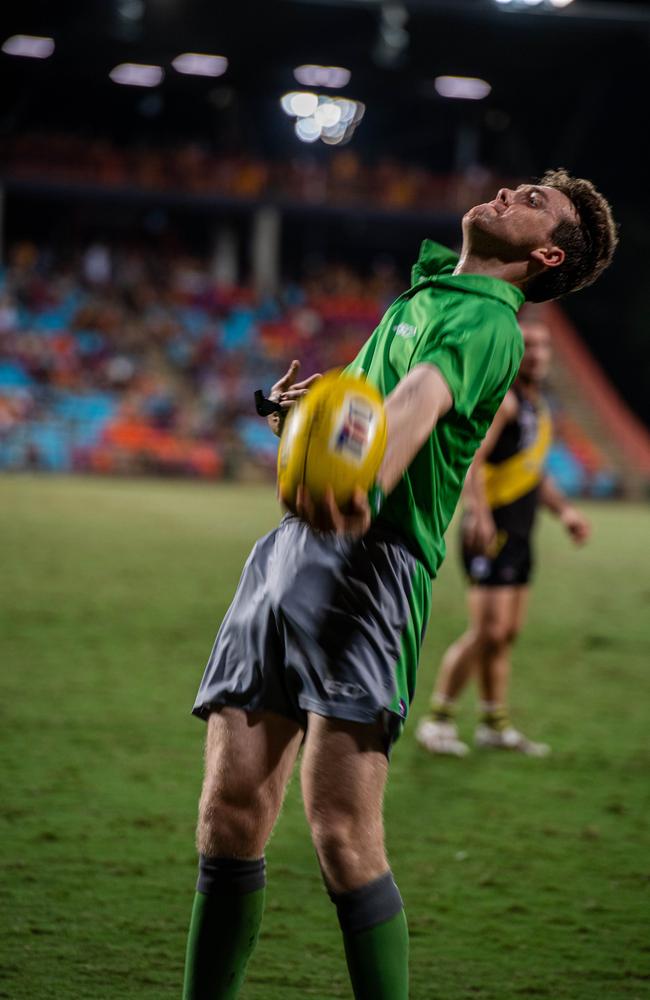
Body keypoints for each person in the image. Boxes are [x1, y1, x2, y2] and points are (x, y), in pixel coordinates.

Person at [183, 170, 617, 999]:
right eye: (517, 186)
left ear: (547, 254)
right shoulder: (423, 297)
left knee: (342, 835)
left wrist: (363, 483)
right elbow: (363, 408)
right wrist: (295, 418)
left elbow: (416, 406)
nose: (511, 194)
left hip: (368, 567)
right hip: (285, 555)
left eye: (534, 204)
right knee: (229, 816)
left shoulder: (487, 319)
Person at [416, 317, 590, 759]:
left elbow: (532, 472)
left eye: (543, 347)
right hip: (490, 531)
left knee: (505, 633)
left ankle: (494, 724)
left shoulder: (540, 406)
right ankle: (437, 719)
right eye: (528, 346)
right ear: (514, 352)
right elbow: (473, 457)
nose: (537, 354)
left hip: (521, 532)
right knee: (486, 630)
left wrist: (565, 512)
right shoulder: (506, 403)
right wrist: (478, 513)